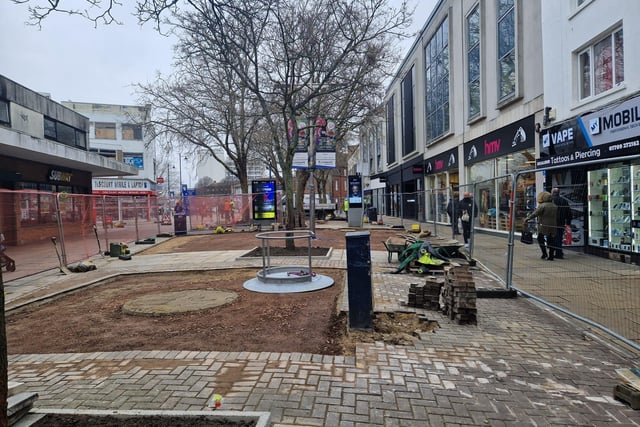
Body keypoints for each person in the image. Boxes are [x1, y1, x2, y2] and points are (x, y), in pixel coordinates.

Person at [524, 191, 558, 260]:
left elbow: (535, 214)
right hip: (553, 225)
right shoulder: (554, 205)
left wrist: (527, 218)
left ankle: (544, 253)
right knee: (551, 240)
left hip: (543, 225)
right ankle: (551, 255)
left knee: (540, 238)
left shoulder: (542, 206)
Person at [551, 187, 571, 259]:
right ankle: (558, 252)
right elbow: (568, 212)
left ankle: (556, 252)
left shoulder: (551, 201)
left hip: (552, 222)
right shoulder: (564, 201)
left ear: (552, 193)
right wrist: (568, 222)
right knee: (559, 237)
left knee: (553, 238)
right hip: (561, 222)